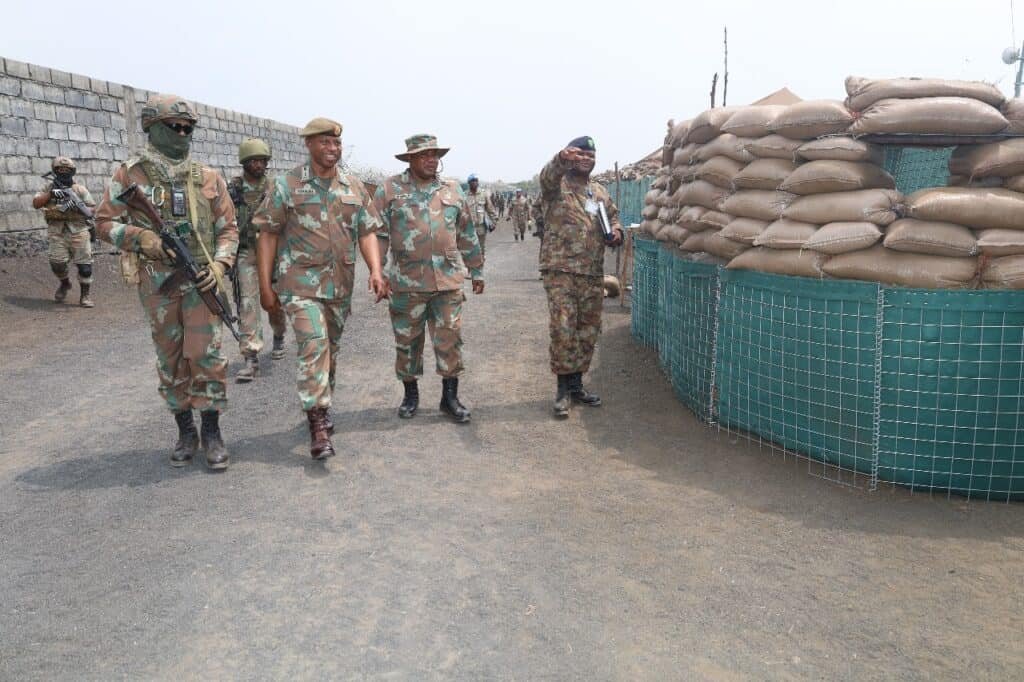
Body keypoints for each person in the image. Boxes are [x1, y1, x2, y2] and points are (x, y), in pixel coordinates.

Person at [94, 94, 238, 468]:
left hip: (201, 281)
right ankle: (185, 430)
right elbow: (103, 223)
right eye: (175, 127)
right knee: (170, 358)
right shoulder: (130, 174)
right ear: (153, 129)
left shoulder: (208, 177)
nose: (183, 133)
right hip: (158, 283)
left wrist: (220, 266)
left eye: (188, 128)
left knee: (207, 356)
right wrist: (144, 239)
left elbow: (229, 230)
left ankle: (211, 431)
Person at [253, 117, 387, 460]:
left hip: (339, 286)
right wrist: (265, 287)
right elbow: (267, 233)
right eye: (325, 143)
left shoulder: (353, 187)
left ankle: (321, 410)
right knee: (314, 346)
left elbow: (367, 231)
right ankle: (318, 423)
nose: (333, 149)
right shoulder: (288, 185)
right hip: (299, 284)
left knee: (331, 350)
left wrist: (375, 270)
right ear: (309, 145)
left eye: (337, 144)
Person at [374, 134, 484, 423]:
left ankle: (450, 398)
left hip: (447, 281)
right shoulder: (390, 190)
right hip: (406, 282)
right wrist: (378, 272)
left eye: (435, 155)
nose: (432, 159)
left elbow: (466, 232)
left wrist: (476, 270)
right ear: (410, 159)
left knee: (450, 338)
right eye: (425, 155)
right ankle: (410, 395)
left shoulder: (452, 190)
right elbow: (379, 234)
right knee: (407, 341)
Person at [538, 135, 623, 418]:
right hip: (561, 270)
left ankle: (577, 386)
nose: (586, 160)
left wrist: (617, 232)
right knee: (564, 328)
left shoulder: (598, 192)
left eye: (591, 155)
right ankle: (562, 389)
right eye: (581, 154)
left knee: (587, 330)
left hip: (591, 272)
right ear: (572, 157)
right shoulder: (556, 186)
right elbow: (547, 177)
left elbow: (613, 217)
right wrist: (561, 158)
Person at [229, 138, 287, 383]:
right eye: (254, 161)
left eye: (263, 161)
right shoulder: (233, 190)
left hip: (273, 253)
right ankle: (251, 357)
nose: (259, 165)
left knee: (274, 302)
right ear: (245, 162)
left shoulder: (275, 187)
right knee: (247, 303)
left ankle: (279, 334)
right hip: (246, 252)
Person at [32, 157, 97, 307]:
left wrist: (76, 206)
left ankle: (85, 296)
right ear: (54, 171)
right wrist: (51, 194)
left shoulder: (79, 189)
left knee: (85, 267)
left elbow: (92, 209)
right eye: (60, 170)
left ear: (72, 172)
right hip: (57, 232)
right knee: (57, 264)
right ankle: (65, 283)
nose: (63, 172)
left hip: (79, 231)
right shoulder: (48, 188)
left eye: (67, 170)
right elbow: (36, 203)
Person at [465, 173, 497, 256]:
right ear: (469, 183)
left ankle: (480, 266)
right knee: (469, 249)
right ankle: (471, 267)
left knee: (481, 248)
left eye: (476, 181)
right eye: (472, 181)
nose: (475, 182)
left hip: (481, 228)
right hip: (468, 228)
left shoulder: (483, 194)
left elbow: (490, 209)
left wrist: (494, 222)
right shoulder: (464, 196)